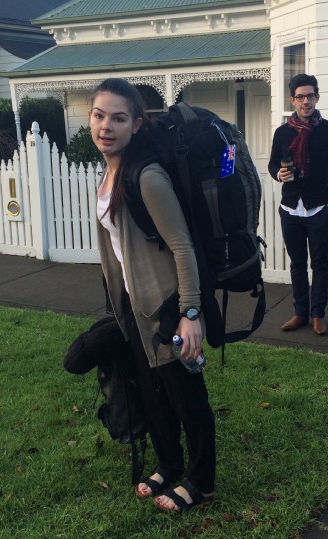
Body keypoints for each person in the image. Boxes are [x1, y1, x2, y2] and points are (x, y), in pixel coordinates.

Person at [89, 77, 215, 512]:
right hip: (135, 307)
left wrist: (190, 313)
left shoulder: (148, 177)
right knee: (152, 391)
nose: (107, 126)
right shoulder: (109, 173)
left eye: (119, 118)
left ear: (137, 125)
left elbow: (182, 246)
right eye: (99, 115)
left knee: (186, 396)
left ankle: (201, 481)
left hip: (167, 306)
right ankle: (169, 462)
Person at [268, 73, 328, 336]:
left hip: (318, 209)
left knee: (320, 263)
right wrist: (278, 174)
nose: (306, 101)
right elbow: (272, 164)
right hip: (290, 209)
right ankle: (300, 312)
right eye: (301, 97)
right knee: (297, 263)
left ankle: (317, 315)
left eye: (310, 96)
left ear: (317, 97)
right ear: (292, 100)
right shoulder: (282, 132)